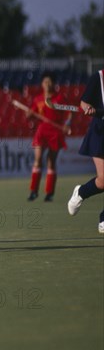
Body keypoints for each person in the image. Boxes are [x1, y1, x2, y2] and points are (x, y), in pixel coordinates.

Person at [26, 72, 72, 202]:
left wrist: (66, 125)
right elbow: (31, 113)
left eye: (49, 81)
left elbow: (69, 114)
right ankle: (33, 191)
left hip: (56, 133)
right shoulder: (38, 99)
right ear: (41, 84)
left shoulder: (60, 98)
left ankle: (49, 193)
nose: (47, 84)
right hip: (42, 132)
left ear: (54, 83)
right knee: (38, 159)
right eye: (45, 82)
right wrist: (29, 114)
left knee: (51, 162)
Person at [68, 69, 104, 233]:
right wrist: (88, 108)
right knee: (103, 180)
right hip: (100, 132)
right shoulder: (99, 77)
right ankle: (81, 192)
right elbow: (84, 103)